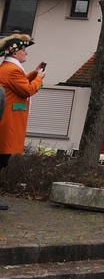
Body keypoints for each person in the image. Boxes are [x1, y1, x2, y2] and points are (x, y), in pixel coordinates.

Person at [0, 33, 46, 210]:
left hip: (6, 119)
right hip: (8, 121)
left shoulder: (8, 68)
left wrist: (34, 73)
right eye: (23, 50)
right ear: (14, 52)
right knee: (1, 160)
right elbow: (27, 90)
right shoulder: (12, 70)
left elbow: (20, 83)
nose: (26, 53)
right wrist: (39, 78)